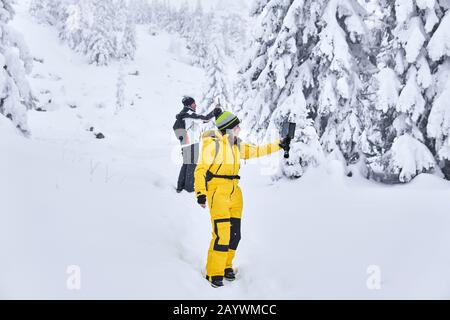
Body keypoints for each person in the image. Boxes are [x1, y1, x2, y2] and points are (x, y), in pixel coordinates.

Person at [194, 111, 291, 288]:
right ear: (228, 128)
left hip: (235, 192)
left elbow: (255, 151)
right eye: (236, 126)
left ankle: (226, 266)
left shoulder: (236, 144)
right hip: (218, 191)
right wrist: (200, 193)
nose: (239, 128)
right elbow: (200, 170)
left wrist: (279, 145)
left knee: (235, 235)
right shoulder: (212, 145)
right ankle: (213, 272)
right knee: (221, 235)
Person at [174, 96, 219, 193]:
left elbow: (200, 121)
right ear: (189, 105)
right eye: (194, 103)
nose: (196, 105)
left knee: (186, 164)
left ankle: (180, 186)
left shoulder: (184, 115)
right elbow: (205, 119)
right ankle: (189, 188)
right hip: (191, 144)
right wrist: (214, 112)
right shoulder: (189, 114)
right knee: (192, 165)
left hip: (185, 144)